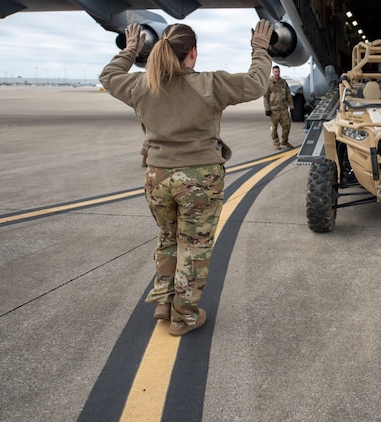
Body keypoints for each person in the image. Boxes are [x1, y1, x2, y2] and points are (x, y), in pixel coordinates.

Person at [99, 20, 272, 336]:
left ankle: (165, 302)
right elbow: (257, 83)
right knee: (195, 247)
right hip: (199, 180)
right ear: (193, 53)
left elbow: (108, 77)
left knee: (168, 237)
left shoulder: (142, 85)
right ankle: (185, 317)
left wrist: (129, 51)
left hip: (157, 178)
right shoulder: (210, 84)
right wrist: (259, 49)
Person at [264, 65, 293, 149]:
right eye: (276, 72)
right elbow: (266, 96)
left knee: (287, 126)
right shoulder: (269, 82)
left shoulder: (283, 82)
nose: (277, 73)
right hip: (273, 110)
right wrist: (267, 108)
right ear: (273, 72)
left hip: (283, 109)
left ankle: (284, 141)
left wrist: (291, 106)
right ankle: (276, 143)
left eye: (278, 71)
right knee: (273, 128)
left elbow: (288, 94)